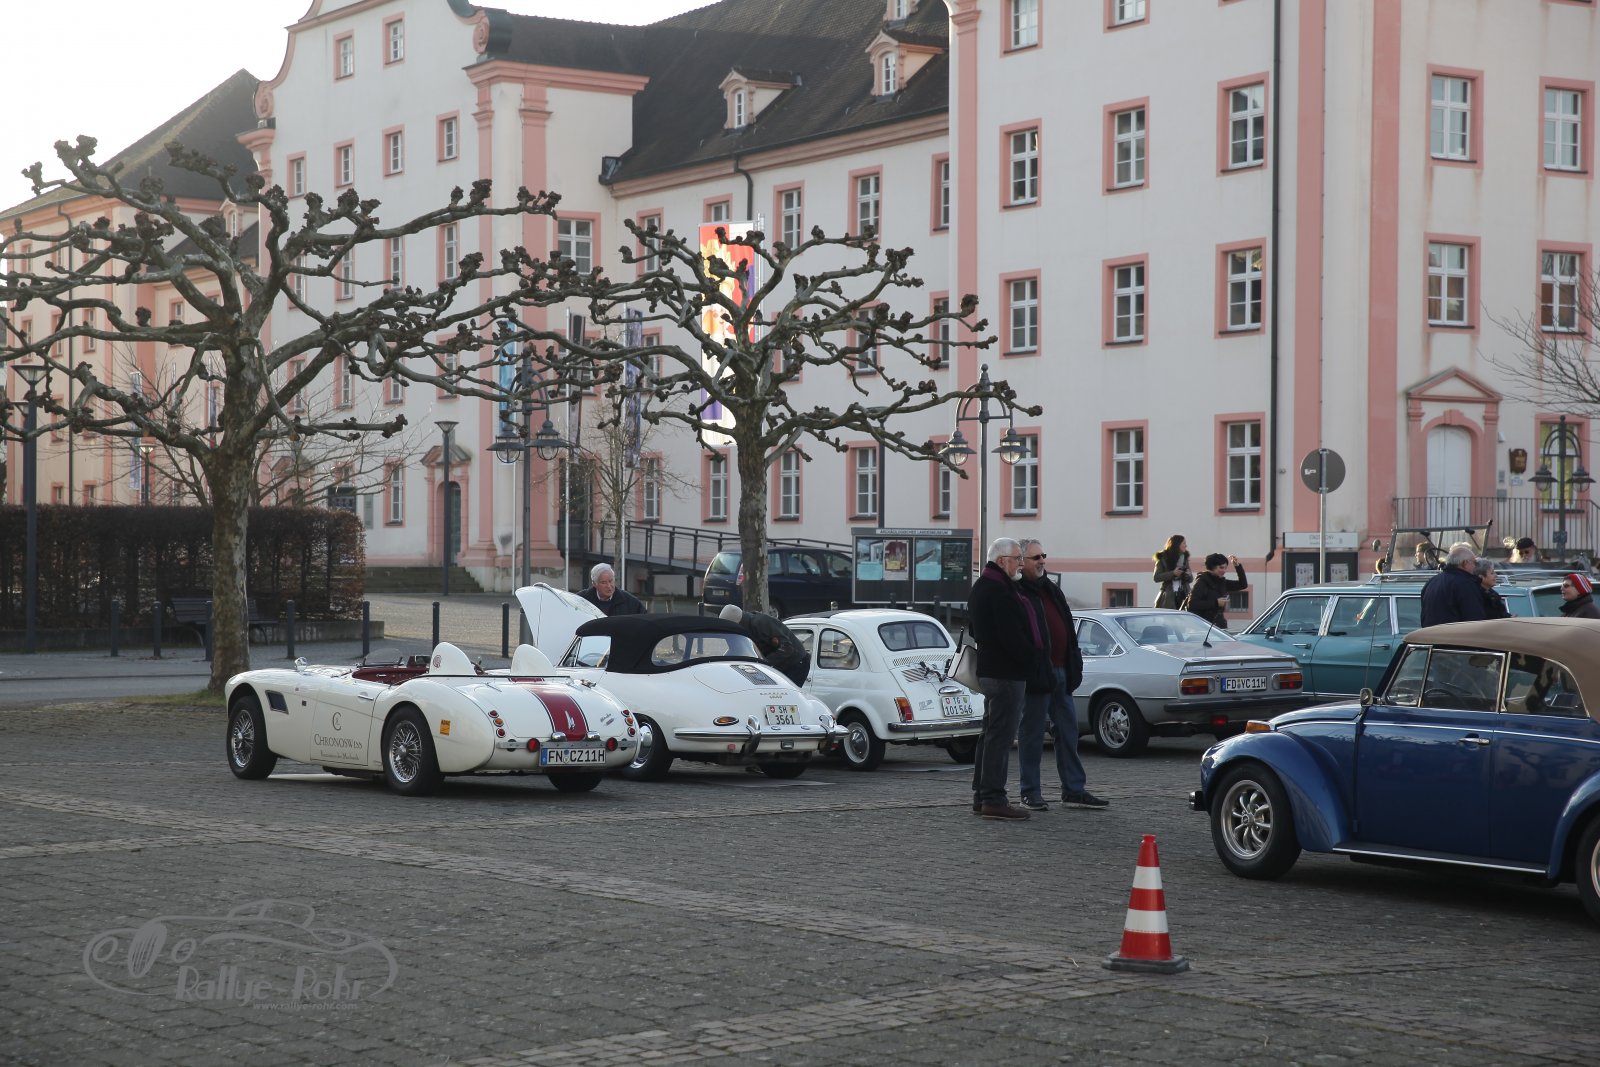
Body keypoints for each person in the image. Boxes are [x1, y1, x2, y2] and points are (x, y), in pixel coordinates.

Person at [1014, 540, 1108, 812]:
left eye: (1043, 555)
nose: (1042, 561)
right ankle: (1030, 792)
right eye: (1035, 557)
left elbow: (1066, 624)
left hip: (1061, 670)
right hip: (1038, 673)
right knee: (1032, 733)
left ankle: (1074, 790)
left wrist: (1073, 661)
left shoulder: (1051, 589)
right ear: (1021, 562)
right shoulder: (1018, 592)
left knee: (1068, 731)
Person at [966, 537, 1041, 821]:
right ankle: (993, 798)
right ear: (1001, 561)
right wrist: (1032, 659)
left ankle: (981, 795)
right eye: (1017, 558)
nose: (1021, 563)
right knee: (1000, 737)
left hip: (992, 671)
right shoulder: (999, 590)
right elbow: (1012, 638)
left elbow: (975, 630)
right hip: (1005, 673)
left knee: (990, 734)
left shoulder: (982, 586)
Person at [718, 604, 811, 685]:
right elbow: (737, 650)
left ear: (737, 623)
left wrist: (763, 664)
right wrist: (721, 663)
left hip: (796, 663)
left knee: (783, 696)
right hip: (780, 665)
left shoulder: (760, 623)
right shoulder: (743, 629)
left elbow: (786, 648)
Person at [1419, 542, 1487, 626]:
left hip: (1430, 633)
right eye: (1475, 563)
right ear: (1465, 563)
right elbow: (1474, 618)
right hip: (1456, 633)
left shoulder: (1432, 581)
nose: (1476, 566)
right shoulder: (1466, 584)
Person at [1184, 553, 1248, 628]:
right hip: (1204, 626)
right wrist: (1216, 602)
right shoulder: (1202, 582)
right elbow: (1192, 604)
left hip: (1219, 625)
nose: (1224, 571)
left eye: (1225, 568)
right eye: (1221, 568)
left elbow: (1243, 585)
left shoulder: (1221, 582)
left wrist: (1237, 566)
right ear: (1212, 567)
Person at [576, 563, 646, 617]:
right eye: (603, 582)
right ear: (594, 584)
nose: (609, 586)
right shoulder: (581, 600)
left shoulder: (630, 602)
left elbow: (644, 620)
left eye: (611, 581)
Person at [1152, 535, 1191, 609]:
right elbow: (1156, 577)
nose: (1186, 546)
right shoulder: (1163, 558)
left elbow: (1191, 578)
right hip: (1168, 596)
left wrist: (1187, 575)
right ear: (1177, 544)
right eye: (1184, 543)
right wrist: (1173, 573)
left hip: (1184, 594)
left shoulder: (1184, 557)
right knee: (1170, 614)